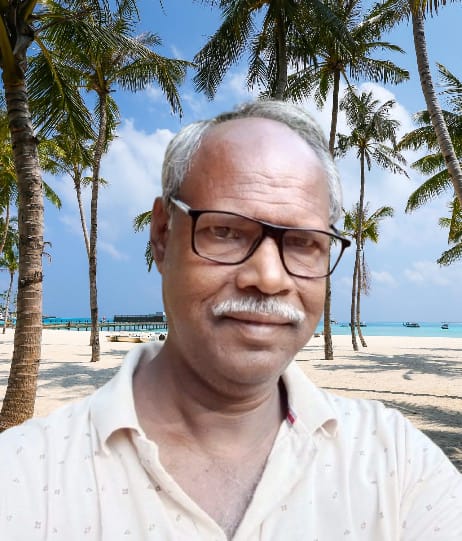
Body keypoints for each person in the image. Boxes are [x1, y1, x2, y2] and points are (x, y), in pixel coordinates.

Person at [0, 100, 461, 540]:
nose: (268, 277)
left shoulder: (397, 464)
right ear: (162, 235)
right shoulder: (26, 479)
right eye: (225, 231)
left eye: (303, 242)